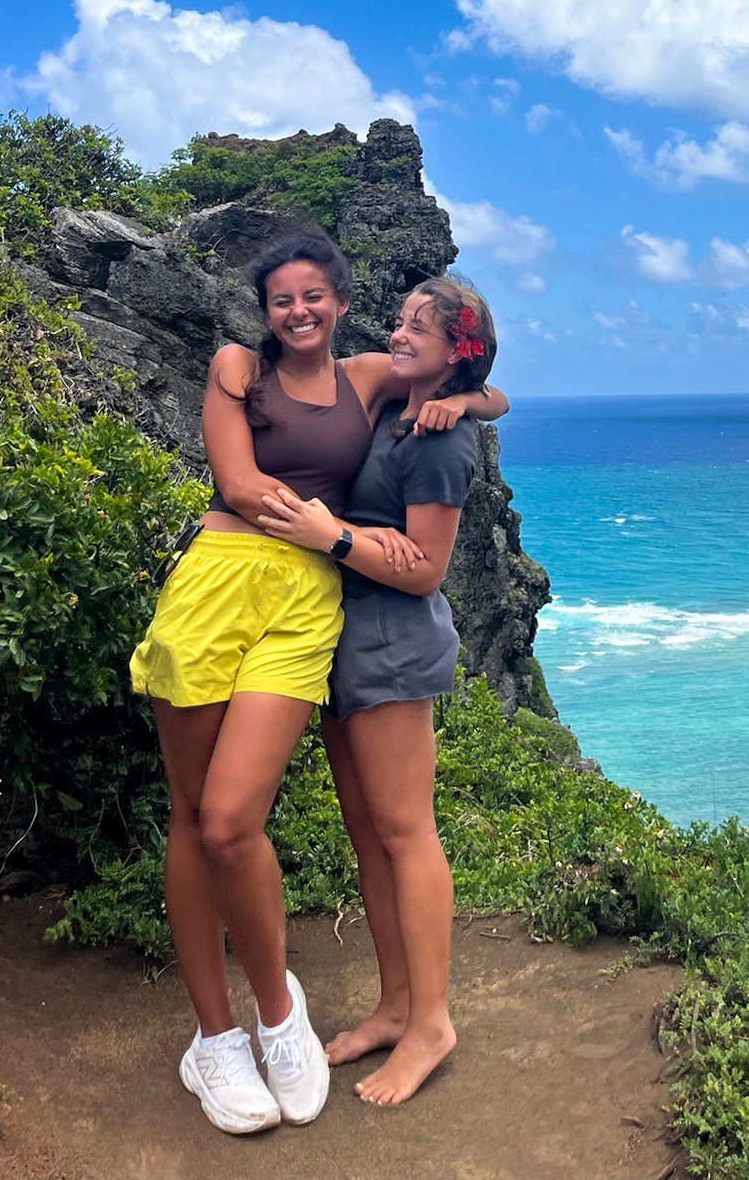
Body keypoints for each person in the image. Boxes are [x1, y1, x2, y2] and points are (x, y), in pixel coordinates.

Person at [129, 237, 508, 1136]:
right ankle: (359, 1014)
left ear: (338, 301)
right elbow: (237, 482)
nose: (297, 311)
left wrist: (462, 403)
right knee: (349, 831)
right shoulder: (285, 376)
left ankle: (389, 1019)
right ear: (265, 310)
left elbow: (482, 395)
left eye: (313, 296)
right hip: (287, 603)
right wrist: (460, 396)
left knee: (345, 826)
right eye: (280, 299)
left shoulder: (397, 399)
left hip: (345, 615)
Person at [257, 275, 496, 1108]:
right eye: (399, 320)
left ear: (455, 350)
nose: (398, 334)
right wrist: (464, 397)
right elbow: (493, 393)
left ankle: (431, 1022)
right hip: (345, 639)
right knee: (368, 833)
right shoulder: (405, 407)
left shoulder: (440, 443)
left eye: (418, 328)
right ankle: (396, 1005)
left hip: (393, 645)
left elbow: (427, 568)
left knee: (406, 832)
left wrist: (333, 536)